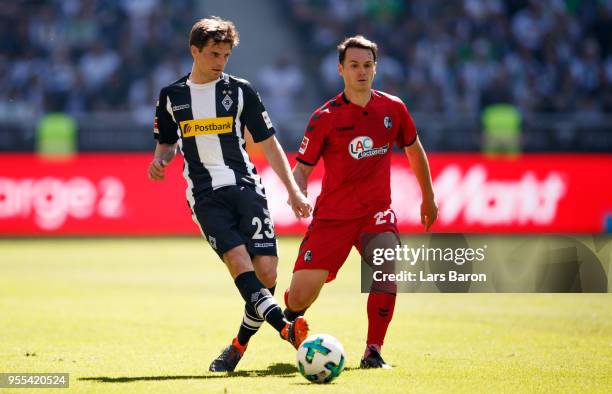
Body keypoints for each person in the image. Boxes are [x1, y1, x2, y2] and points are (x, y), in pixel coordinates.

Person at [147, 16, 312, 372]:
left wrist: (294, 190)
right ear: (195, 51)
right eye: (213, 54)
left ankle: (237, 345)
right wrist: (160, 161)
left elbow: (269, 145)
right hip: (205, 195)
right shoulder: (171, 96)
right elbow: (166, 144)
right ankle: (286, 328)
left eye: (225, 54)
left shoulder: (240, 91)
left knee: (266, 275)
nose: (220, 61)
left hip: (246, 188)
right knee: (239, 263)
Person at [283, 35, 438, 369]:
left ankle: (374, 350)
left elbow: (414, 149)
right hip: (334, 217)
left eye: (367, 65)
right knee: (299, 296)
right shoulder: (324, 117)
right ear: (341, 70)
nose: (361, 71)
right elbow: (302, 168)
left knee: (386, 270)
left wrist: (428, 195)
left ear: (375, 68)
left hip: (376, 212)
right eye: (354, 65)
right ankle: (290, 320)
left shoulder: (393, 108)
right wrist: (297, 193)